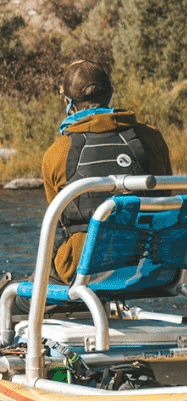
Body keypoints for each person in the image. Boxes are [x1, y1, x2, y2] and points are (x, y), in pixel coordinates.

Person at [42, 59, 172, 284]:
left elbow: (59, 219)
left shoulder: (56, 153)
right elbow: (167, 199)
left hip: (79, 273)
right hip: (151, 270)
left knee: (15, 297)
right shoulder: (152, 138)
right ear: (110, 95)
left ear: (67, 102)